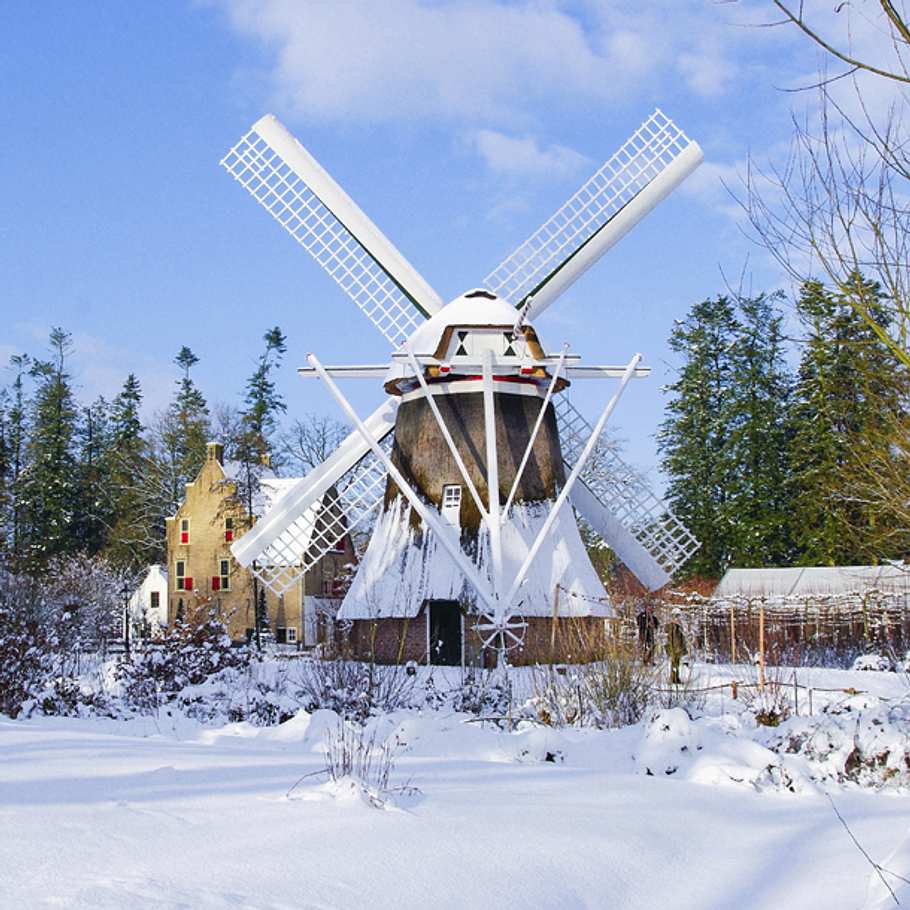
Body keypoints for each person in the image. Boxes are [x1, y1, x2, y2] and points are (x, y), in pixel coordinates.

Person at [665, 609, 687, 684]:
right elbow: (669, 638)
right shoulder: (670, 626)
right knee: (674, 663)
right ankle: (674, 679)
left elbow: (682, 638)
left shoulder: (679, 626)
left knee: (677, 663)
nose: (677, 618)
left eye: (678, 616)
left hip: (678, 648)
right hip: (673, 648)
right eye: (676, 616)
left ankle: (676, 678)